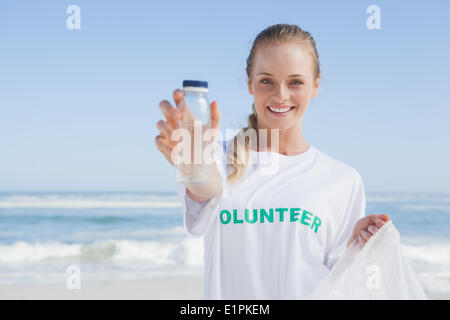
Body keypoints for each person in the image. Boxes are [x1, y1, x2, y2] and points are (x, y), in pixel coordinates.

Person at [155, 23, 391, 299]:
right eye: (267, 80)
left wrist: (358, 249)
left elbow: (341, 283)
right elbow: (207, 184)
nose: (281, 95)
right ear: (249, 82)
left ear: (315, 85)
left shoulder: (342, 179)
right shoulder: (216, 157)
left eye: (295, 82)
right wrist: (194, 168)